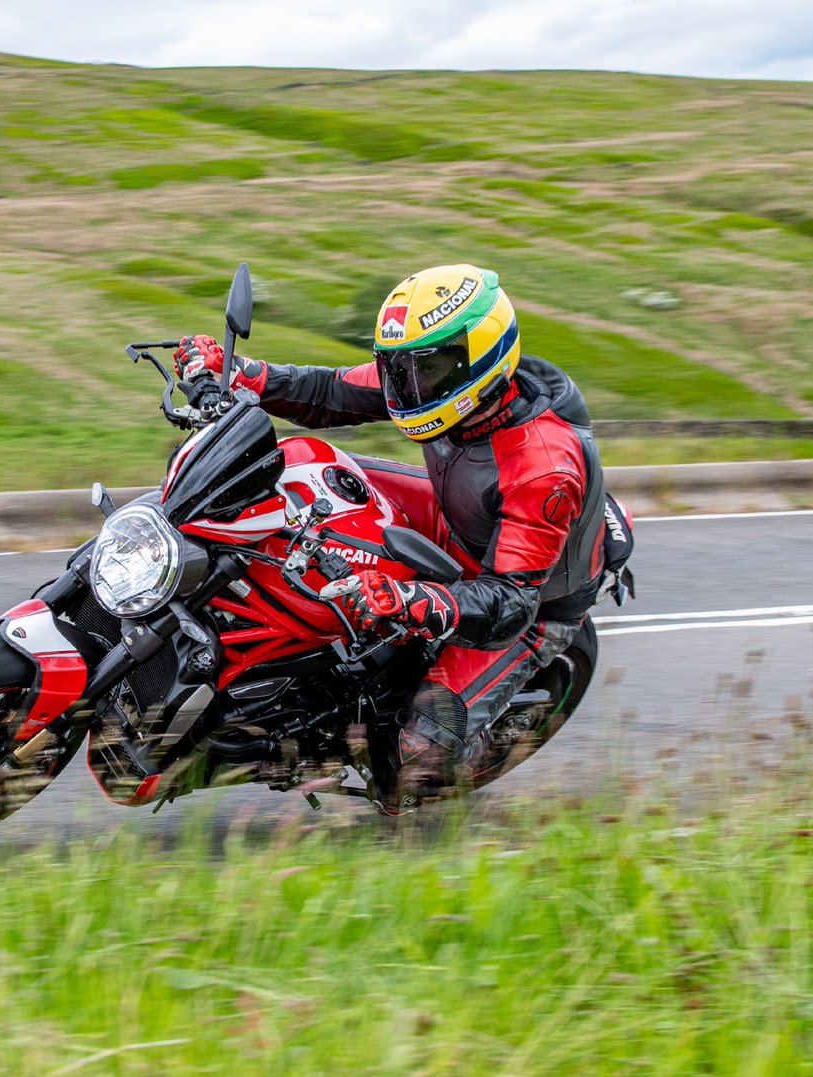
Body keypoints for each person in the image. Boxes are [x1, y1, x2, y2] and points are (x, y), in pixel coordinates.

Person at [174, 263, 612, 811]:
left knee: (411, 760)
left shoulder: (539, 467)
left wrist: (411, 599)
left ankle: (411, 757)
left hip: (530, 602)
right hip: (459, 521)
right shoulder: (445, 384)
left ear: (477, 356)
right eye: (395, 368)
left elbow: (511, 602)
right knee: (295, 482)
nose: (403, 386)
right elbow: (332, 391)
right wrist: (241, 375)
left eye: (419, 371)